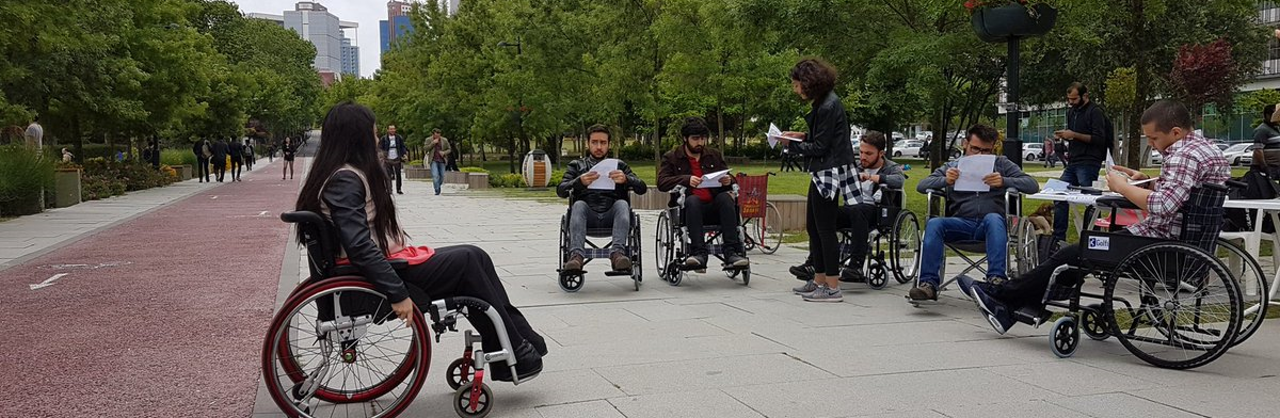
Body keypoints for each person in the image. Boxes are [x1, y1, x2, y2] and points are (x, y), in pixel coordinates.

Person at [296, 101, 545, 381]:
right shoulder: (345, 179)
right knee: (468, 262)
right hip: (373, 276)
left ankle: (521, 340)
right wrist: (397, 293)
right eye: (373, 133)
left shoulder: (338, 173)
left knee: (476, 255)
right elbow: (358, 246)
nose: (376, 140)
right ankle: (515, 352)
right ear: (357, 138)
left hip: (373, 266)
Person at [964, 100, 1230, 334]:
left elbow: (1164, 205)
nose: (1151, 145)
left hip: (1157, 244)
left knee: (1075, 252)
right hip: (1184, 242)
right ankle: (1018, 305)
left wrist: (1121, 187)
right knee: (1082, 253)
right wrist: (1144, 182)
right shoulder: (1206, 149)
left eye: (1154, 139)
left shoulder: (1182, 155)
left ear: (1175, 132)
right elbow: (1182, 194)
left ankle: (1002, 296)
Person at [909, 124, 1040, 302]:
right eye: (975, 149)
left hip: (993, 226)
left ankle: (996, 280)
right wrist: (945, 180)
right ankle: (928, 284)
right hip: (961, 223)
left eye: (986, 151)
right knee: (934, 223)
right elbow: (922, 186)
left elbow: (1032, 185)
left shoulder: (1002, 164)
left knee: (993, 218)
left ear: (993, 148)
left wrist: (1004, 181)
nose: (979, 155)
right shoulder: (953, 165)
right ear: (965, 144)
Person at [773, 58, 854, 303]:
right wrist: (801, 135)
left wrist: (792, 145)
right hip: (823, 171)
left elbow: (820, 146)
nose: (795, 90)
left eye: (797, 85)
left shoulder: (829, 105)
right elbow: (822, 137)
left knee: (825, 229)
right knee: (813, 227)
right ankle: (819, 278)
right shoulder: (825, 102)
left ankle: (832, 285)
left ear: (809, 83)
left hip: (829, 172)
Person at [789, 130, 906, 285]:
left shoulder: (891, 167)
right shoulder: (855, 166)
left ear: (881, 153)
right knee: (822, 215)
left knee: (858, 209)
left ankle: (856, 265)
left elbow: (899, 181)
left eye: (869, 154)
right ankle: (814, 262)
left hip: (875, 211)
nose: (863, 157)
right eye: (862, 152)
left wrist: (872, 177)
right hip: (852, 209)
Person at [657, 117, 750, 271]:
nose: (700, 142)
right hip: (688, 210)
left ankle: (732, 252)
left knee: (726, 199)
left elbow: (730, 178)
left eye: (703, 138)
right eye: (695, 139)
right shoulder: (672, 157)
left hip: (714, 206)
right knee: (693, 200)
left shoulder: (713, 155)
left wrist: (728, 180)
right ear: (685, 138)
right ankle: (698, 253)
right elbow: (662, 182)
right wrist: (686, 180)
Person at [557, 124, 648, 272]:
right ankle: (576, 256)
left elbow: (642, 188)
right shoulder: (577, 165)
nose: (599, 147)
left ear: (609, 144)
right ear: (588, 143)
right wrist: (579, 182)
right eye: (594, 142)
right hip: (587, 216)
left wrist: (626, 179)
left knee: (622, 204)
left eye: (603, 143)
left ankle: (618, 254)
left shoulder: (619, 165)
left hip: (612, 215)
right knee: (578, 205)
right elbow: (561, 190)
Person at [1051, 82, 1112, 243]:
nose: (1071, 102)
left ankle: (1094, 238)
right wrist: (1065, 137)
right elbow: (1073, 135)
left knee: (1090, 201)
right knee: (1059, 195)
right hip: (1074, 160)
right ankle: (1058, 238)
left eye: (1074, 99)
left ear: (1085, 96)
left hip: (1089, 160)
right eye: (1069, 99)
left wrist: (1074, 135)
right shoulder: (1072, 112)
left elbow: (1100, 138)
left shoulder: (1095, 112)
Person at [1251, 103, 1280, 171]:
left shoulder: (1276, 129)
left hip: (1276, 167)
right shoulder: (1262, 130)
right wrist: (1264, 167)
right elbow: (1258, 150)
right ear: (1267, 115)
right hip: (1268, 167)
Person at [380, 125, 407, 194]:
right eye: (391, 129)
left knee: (398, 174)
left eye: (393, 129)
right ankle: (389, 189)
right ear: (388, 130)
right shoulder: (384, 138)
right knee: (388, 175)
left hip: (396, 158)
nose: (392, 130)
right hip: (387, 158)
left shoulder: (399, 138)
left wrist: (404, 154)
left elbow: (402, 147)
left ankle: (399, 189)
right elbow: (380, 148)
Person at [428, 129, 452, 195]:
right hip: (433, 160)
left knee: (442, 176)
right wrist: (433, 143)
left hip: (442, 160)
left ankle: (438, 186)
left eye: (439, 134)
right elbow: (425, 148)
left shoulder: (444, 140)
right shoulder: (429, 140)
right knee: (435, 176)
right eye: (436, 134)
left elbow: (449, 149)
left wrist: (444, 152)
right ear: (433, 134)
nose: (438, 135)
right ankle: (437, 190)